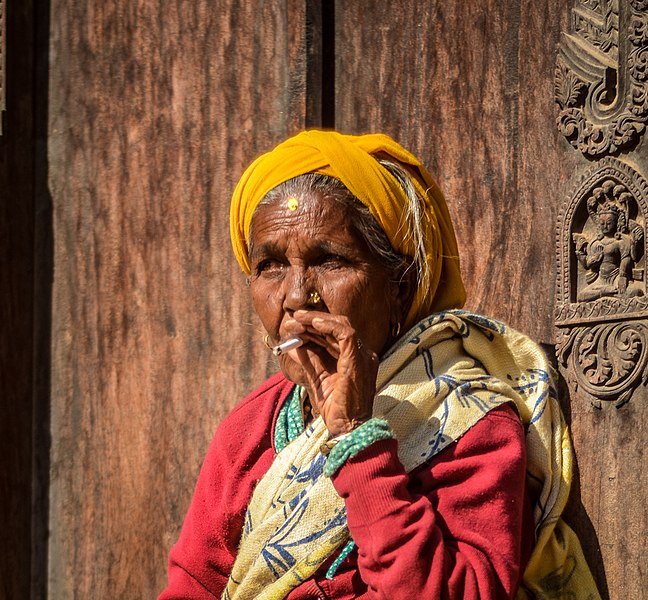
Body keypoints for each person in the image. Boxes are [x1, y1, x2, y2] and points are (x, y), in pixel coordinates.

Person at [159, 130, 599, 599]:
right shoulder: (249, 431)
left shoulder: (466, 423)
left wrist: (355, 437)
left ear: (400, 288)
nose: (293, 297)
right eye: (269, 266)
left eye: (329, 260)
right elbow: (193, 585)